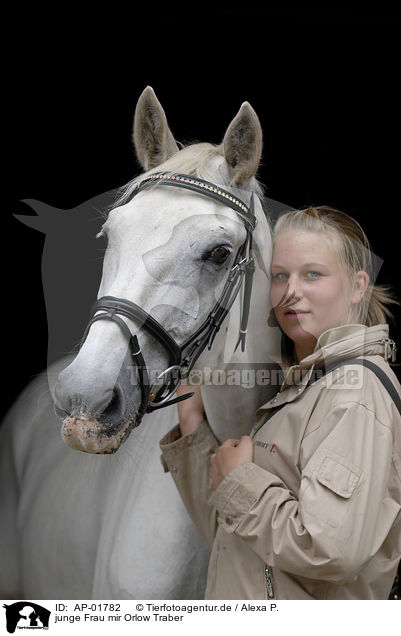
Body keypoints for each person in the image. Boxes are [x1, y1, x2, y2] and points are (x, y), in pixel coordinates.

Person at [159, 206, 401, 600]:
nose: (291, 291)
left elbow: (329, 550)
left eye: (313, 274)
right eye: (279, 276)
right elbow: (238, 547)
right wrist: (192, 430)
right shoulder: (302, 389)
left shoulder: (355, 395)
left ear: (358, 286)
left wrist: (240, 479)